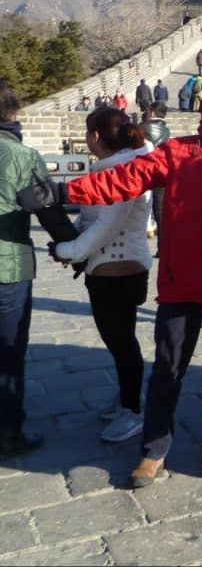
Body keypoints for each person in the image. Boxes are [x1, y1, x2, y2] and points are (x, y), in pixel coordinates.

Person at [17, 81, 202, 486]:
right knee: (168, 368)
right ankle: (153, 448)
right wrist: (64, 190)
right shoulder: (177, 153)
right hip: (180, 278)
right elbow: (123, 179)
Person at [51, 108, 153, 443]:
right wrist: (72, 236)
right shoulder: (114, 167)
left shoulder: (125, 172)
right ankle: (127, 396)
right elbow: (93, 220)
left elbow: (109, 227)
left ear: (95, 136)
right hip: (108, 265)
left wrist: (70, 251)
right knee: (118, 340)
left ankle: (132, 410)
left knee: (122, 341)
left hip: (119, 267)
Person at [1, 81, 80, 457]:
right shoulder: (22, 156)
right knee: (8, 350)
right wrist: (73, 249)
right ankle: (8, 432)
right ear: (11, 113)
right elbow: (48, 209)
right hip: (9, 269)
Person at [140, 102, 171, 244]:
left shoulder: (142, 128)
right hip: (162, 171)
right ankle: (162, 245)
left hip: (143, 171)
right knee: (160, 211)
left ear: (152, 113)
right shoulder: (166, 131)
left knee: (139, 208)